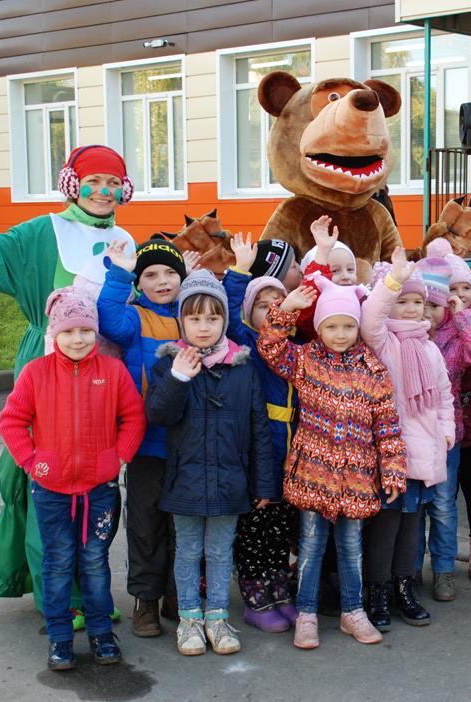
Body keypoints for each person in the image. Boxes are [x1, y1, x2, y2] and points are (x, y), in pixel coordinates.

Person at [0, 141, 137, 623]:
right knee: (50, 485)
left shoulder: (125, 237)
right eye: (94, 180)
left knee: (97, 492)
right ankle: (60, 602)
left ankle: (92, 592)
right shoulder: (43, 233)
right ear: (73, 183)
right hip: (49, 377)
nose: (103, 190)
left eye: (112, 182)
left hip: (104, 384)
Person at [0, 287, 147, 671]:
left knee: (95, 561)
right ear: (55, 334)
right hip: (50, 490)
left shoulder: (111, 372)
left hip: (100, 489)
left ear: (96, 333)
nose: (77, 339)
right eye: (68, 332)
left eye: (85, 331)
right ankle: (60, 637)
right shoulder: (36, 373)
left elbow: (133, 417)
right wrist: (33, 461)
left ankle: (100, 632)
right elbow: (11, 421)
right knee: (59, 562)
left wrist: (119, 457)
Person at [257, 275, 407, 650]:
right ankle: (306, 613)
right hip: (313, 474)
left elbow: (387, 423)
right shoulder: (305, 359)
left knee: (352, 545)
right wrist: (286, 308)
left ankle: (352, 611)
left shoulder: (373, 369)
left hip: (357, 476)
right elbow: (270, 346)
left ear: (358, 326)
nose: (340, 334)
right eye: (331, 326)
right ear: (320, 327)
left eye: (347, 326)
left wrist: (392, 466)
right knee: (309, 545)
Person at [145, 270, 277, 656]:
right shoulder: (168, 364)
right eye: (194, 318)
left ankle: (217, 617)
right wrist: (178, 379)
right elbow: (158, 415)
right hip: (184, 480)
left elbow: (259, 430)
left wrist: (264, 485)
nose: (203, 327)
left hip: (230, 481)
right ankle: (189, 618)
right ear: (181, 320)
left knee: (221, 551)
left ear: (224, 320)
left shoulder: (242, 367)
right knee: (187, 550)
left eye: (212, 318)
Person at [358, 250, 455, 632]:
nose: (415, 309)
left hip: (424, 452)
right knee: (385, 528)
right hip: (390, 456)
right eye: (405, 301)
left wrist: (447, 430)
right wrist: (393, 281)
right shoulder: (382, 342)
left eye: (420, 302)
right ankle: (377, 591)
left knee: (411, 529)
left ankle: (403, 587)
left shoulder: (429, 347)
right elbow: (370, 317)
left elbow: (444, 395)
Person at [96, 236, 186, 637]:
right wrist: (119, 274)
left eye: (170, 272)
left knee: (182, 524)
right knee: (146, 523)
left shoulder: (194, 316)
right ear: (139, 282)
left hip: (189, 444)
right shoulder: (135, 319)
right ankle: (145, 599)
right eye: (150, 274)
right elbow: (107, 316)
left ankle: (176, 594)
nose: (162, 281)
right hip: (147, 444)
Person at [221, 234, 299, 633]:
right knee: (256, 520)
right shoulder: (246, 341)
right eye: (263, 304)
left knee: (281, 525)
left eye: (279, 302)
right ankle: (254, 592)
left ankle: (278, 586)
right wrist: (238, 271)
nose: (272, 309)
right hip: (256, 447)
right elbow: (230, 312)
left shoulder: (293, 347)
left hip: (290, 451)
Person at [411, 239, 471, 599]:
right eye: (423, 304)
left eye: (436, 305)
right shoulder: (405, 333)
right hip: (410, 437)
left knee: (444, 508)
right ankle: (411, 571)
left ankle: (444, 570)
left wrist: (461, 314)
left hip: (448, 438)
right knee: (414, 511)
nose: (428, 312)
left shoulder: (457, 334)